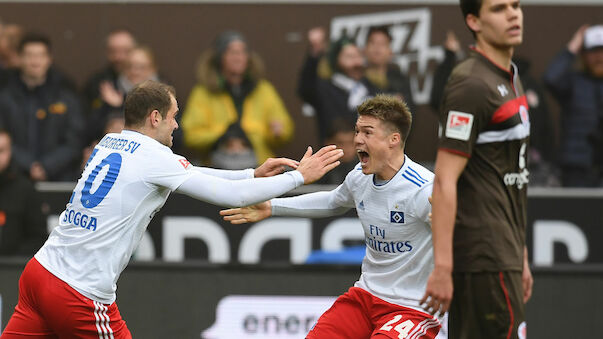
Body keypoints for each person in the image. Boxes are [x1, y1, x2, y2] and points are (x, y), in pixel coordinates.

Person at [0, 80, 343, 338]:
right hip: (78, 292)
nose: (176, 125)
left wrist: (249, 172)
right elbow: (232, 196)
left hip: (40, 272)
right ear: (155, 117)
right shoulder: (153, 158)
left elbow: (184, 170)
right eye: (174, 116)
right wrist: (299, 177)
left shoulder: (110, 142)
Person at [222, 95, 444, 339]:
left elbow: (464, 238)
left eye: (367, 133)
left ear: (394, 139)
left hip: (413, 308)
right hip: (366, 297)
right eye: (357, 130)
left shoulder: (424, 190)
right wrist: (271, 207)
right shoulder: (359, 175)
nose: (357, 139)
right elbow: (333, 202)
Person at [421, 1, 533, 338]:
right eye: (499, 8)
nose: (513, 14)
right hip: (484, 257)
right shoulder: (470, 84)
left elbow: (509, 174)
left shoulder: (509, 76)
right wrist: (443, 266)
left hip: (504, 253)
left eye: (516, 5)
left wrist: (521, 253)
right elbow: (444, 181)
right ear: (474, 21)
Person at [181, 31, 294, 169]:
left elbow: (285, 129)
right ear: (219, 58)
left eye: (242, 52)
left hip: (260, 167)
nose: (238, 58)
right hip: (217, 169)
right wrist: (224, 137)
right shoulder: (203, 93)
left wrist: (278, 133)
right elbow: (190, 135)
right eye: (232, 53)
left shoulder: (264, 90)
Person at [0, 32, 84, 182]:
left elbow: (75, 141)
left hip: (60, 178)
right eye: (29, 55)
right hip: (13, 179)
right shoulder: (5, 98)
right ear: (19, 58)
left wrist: (47, 165)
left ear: (49, 59)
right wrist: (29, 165)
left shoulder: (66, 97)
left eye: (40, 55)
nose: (35, 61)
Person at [543, 24, 603, 187]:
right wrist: (573, 46)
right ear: (583, 55)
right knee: (577, 211)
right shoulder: (573, 82)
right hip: (577, 166)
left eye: (602, 51)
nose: (599, 57)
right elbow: (551, 78)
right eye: (593, 51)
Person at [298, 27, 379, 143]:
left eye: (358, 56)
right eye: (349, 57)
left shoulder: (372, 87)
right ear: (336, 61)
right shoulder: (325, 89)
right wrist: (315, 53)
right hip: (337, 155)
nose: (357, 62)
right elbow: (305, 88)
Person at [0, 129, 47, 257]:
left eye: (1, 151)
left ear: (10, 152)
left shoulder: (25, 190)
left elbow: (39, 239)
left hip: (12, 270)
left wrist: (11, 262)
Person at [82, 29, 137, 115]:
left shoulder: (154, 81)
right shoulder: (97, 82)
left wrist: (120, 105)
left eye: (125, 51)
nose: (119, 57)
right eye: (113, 51)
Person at [364, 26, 415, 112]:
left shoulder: (401, 81)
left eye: (382, 44)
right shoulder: (356, 80)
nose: (377, 48)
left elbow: (409, 113)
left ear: (390, 51)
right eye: (373, 43)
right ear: (364, 49)